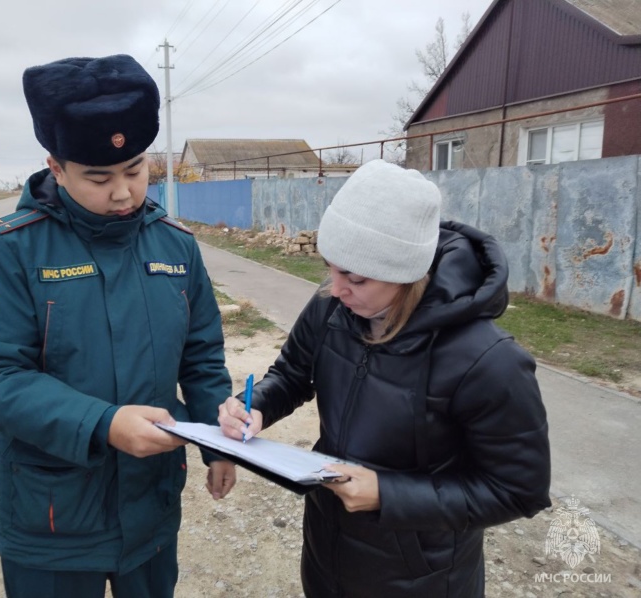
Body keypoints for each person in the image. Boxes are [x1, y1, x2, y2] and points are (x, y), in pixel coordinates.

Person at [0, 54, 236, 598]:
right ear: (56, 168)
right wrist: (102, 423)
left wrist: (218, 443)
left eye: (135, 170)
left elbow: (201, 357)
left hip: (150, 512)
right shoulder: (9, 249)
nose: (124, 192)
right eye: (99, 178)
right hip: (51, 522)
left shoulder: (175, 245)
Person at [218, 160, 551, 597]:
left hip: (421, 578)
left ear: (406, 272)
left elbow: (518, 490)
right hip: (328, 551)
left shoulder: (488, 361)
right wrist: (255, 405)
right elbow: (294, 373)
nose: (335, 289)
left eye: (355, 278)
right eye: (331, 268)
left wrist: (389, 494)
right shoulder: (331, 306)